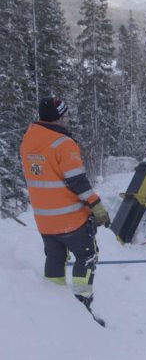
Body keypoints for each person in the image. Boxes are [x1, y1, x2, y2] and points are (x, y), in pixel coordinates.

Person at [19, 97, 111, 310]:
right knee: (87, 256)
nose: (67, 120)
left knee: (55, 259)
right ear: (58, 118)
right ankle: (82, 308)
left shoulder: (28, 139)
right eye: (65, 116)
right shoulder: (63, 143)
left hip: (44, 221)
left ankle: (55, 310)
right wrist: (96, 206)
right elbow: (77, 181)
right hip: (70, 219)